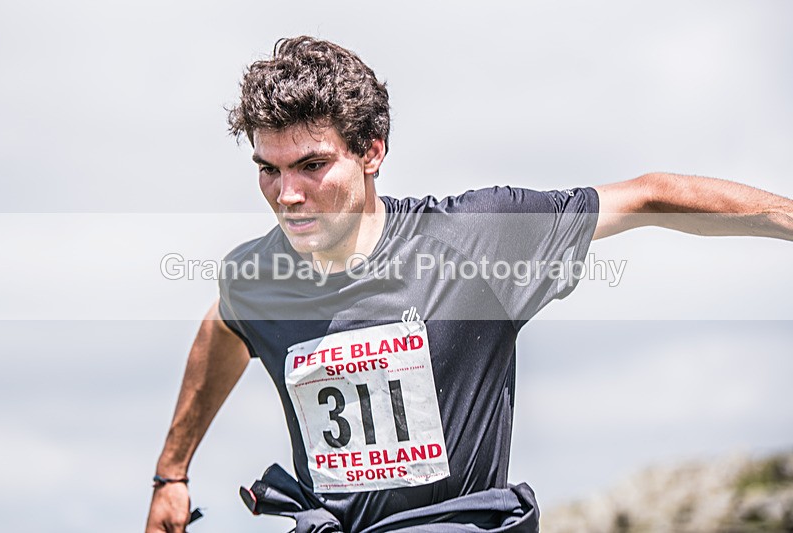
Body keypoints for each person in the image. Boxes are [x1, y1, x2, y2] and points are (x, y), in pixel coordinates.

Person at [145, 36, 793, 533]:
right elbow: (225, 323)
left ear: (372, 150)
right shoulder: (259, 275)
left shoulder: (479, 237)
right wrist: (171, 473)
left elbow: (655, 194)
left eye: (313, 165)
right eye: (269, 169)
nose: (287, 194)